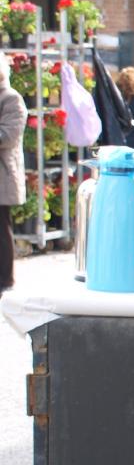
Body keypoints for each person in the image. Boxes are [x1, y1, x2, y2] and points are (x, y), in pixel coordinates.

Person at [0, 52, 22, 291]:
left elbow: (8, 135)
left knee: (1, 228)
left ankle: (5, 280)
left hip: (3, 175)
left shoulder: (11, 98)